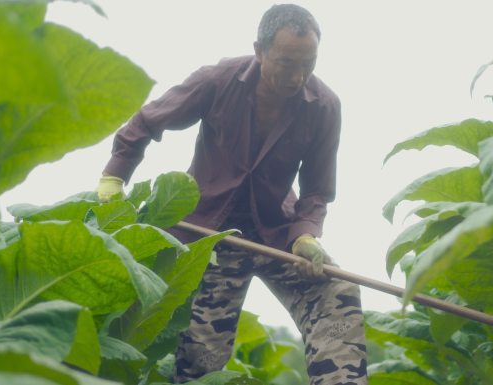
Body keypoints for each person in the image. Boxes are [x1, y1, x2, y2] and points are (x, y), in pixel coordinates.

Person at [95, 4, 367, 384]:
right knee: (202, 357)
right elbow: (149, 120)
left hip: (277, 234)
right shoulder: (218, 80)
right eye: (287, 63)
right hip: (208, 236)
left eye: (309, 63)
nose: (298, 76)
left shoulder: (324, 106)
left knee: (337, 292)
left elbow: (317, 189)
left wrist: (306, 235)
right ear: (260, 51)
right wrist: (114, 177)